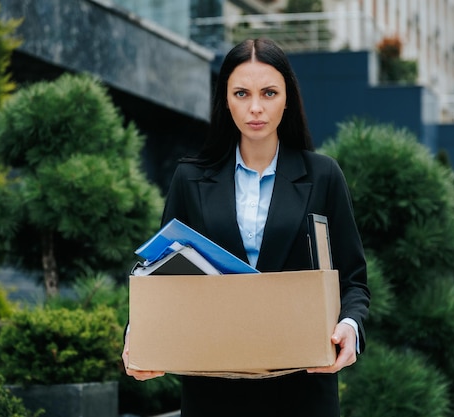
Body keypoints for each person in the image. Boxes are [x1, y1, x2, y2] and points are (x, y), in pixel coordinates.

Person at [122, 38, 370, 417]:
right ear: (225, 100)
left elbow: (353, 280)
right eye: (242, 93)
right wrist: (138, 336)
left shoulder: (323, 176)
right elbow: (162, 276)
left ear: (287, 98)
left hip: (302, 389)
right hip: (213, 392)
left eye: (269, 92)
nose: (256, 107)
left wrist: (350, 328)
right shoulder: (190, 179)